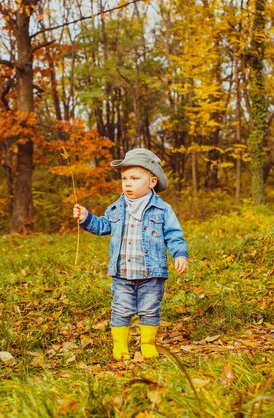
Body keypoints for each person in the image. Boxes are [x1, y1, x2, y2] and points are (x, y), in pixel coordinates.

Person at [73, 148, 189, 360]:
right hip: (123, 272)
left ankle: (147, 344)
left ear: (152, 181)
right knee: (121, 309)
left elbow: (173, 234)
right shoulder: (117, 208)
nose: (127, 183)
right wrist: (86, 218)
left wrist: (180, 255)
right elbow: (103, 226)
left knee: (150, 309)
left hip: (151, 274)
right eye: (124, 178)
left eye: (135, 178)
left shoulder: (162, 210)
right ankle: (120, 346)